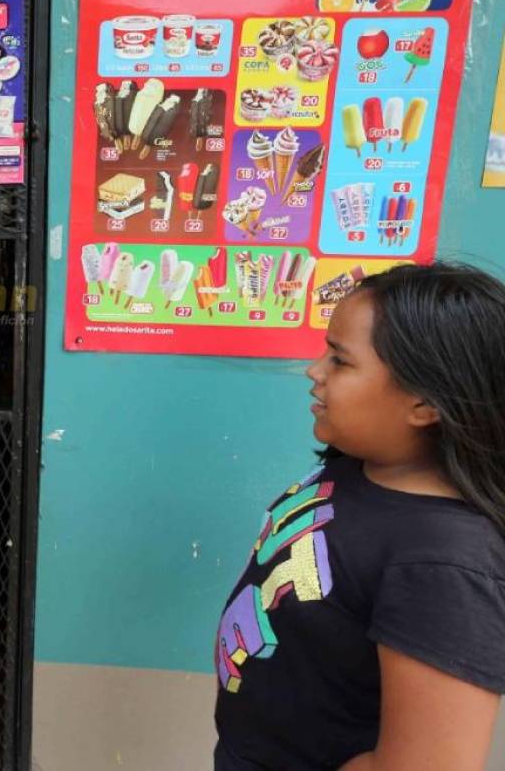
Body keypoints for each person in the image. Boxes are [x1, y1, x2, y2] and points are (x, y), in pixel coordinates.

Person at [214, 263, 505, 770]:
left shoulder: (442, 563)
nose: (315, 370)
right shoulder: (359, 466)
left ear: (424, 401)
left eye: (340, 361)